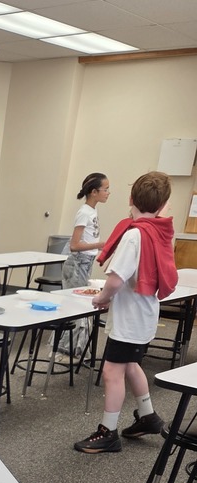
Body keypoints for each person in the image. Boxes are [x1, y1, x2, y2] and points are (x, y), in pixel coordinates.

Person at [74, 171, 178, 454]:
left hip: (130, 318)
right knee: (132, 366)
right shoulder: (159, 231)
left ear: (131, 199)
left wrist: (102, 298)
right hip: (144, 315)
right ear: (163, 205)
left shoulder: (135, 234)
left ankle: (108, 432)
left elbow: (117, 279)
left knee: (111, 371)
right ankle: (148, 416)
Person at [58, 172, 110, 357]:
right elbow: (75, 245)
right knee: (76, 306)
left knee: (81, 305)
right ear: (94, 191)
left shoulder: (92, 211)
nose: (108, 193)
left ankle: (75, 349)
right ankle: (66, 350)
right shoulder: (84, 213)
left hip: (86, 262)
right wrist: (99, 244)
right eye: (105, 189)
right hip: (77, 262)